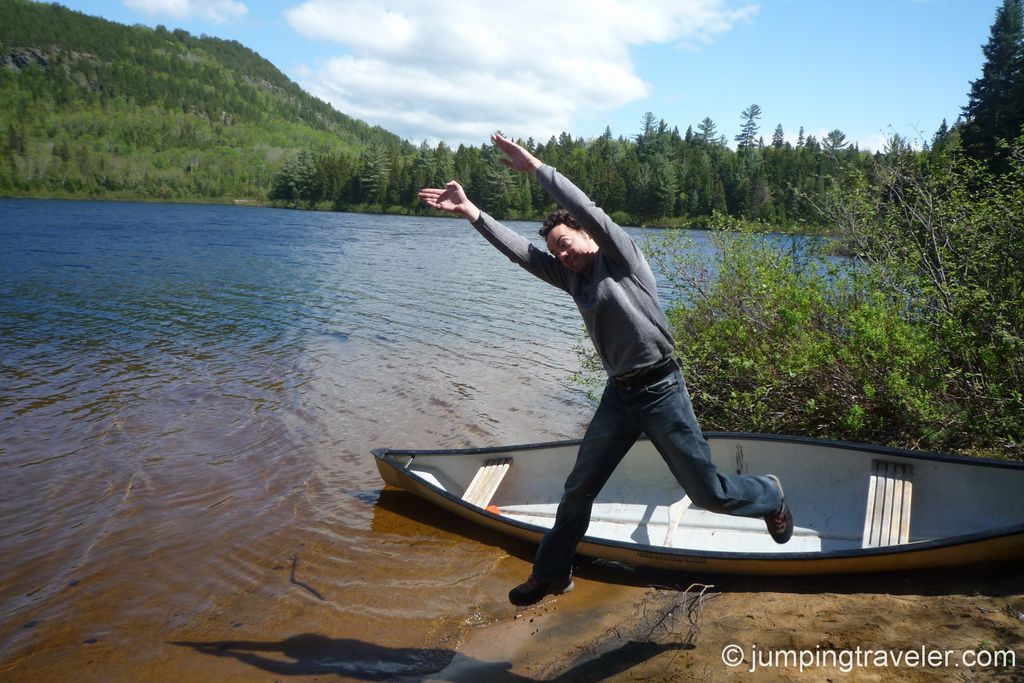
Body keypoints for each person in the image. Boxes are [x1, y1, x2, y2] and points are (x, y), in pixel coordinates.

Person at [419, 134, 793, 607]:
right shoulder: (572, 278)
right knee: (578, 488)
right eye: (556, 251)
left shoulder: (622, 259)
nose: (562, 254)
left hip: (661, 389)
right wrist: (471, 211)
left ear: (588, 235)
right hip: (620, 396)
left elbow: (586, 207)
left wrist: (536, 167)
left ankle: (768, 496)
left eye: (566, 243)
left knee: (707, 493)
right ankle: (553, 573)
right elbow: (520, 252)